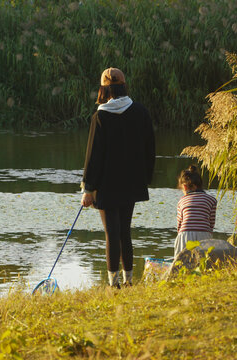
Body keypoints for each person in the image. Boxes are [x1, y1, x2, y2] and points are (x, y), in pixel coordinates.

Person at [81, 67, 155, 288]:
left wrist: (88, 189)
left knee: (111, 233)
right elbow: (150, 148)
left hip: (106, 185)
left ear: (104, 88)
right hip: (131, 183)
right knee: (124, 231)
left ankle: (114, 284)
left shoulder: (101, 115)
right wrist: (145, 178)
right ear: (124, 85)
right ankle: (128, 280)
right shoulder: (140, 112)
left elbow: (93, 155)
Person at [174, 165, 217, 258]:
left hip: (185, 234)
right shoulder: (212, 200)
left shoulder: (181, 201)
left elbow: (179, 224)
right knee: (203, 262)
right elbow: (211, 223)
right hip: (204, 234)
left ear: (184, 187)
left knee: (181, 262)